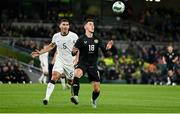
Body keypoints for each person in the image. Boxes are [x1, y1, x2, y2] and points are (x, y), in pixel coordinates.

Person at [31, 18, 79, 105]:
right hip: (60, 60)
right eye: (63, 24)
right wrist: (40, 52)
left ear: (69, 26)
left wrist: (77, 59)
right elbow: (51, 46)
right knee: (54, 76)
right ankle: (46, 98)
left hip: (70, 62)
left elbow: (79, 49)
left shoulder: (74, 36)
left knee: (71, 81)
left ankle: (73, 95)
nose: (65, 26)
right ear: (60, 26)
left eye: (67, 25)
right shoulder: (56, 36)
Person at [71, 18, 113, 108]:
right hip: (82, 63)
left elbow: (104, 51)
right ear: (85, 26)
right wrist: (74, 51)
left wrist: (107, 48)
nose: (92, 26)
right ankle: (75, 96)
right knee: (76, 74)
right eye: (90, 24)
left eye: (93, 25)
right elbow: (73, 52)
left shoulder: (97, 39)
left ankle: (93, 100)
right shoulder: (81, 39)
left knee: (97, 89)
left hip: (93, 65)